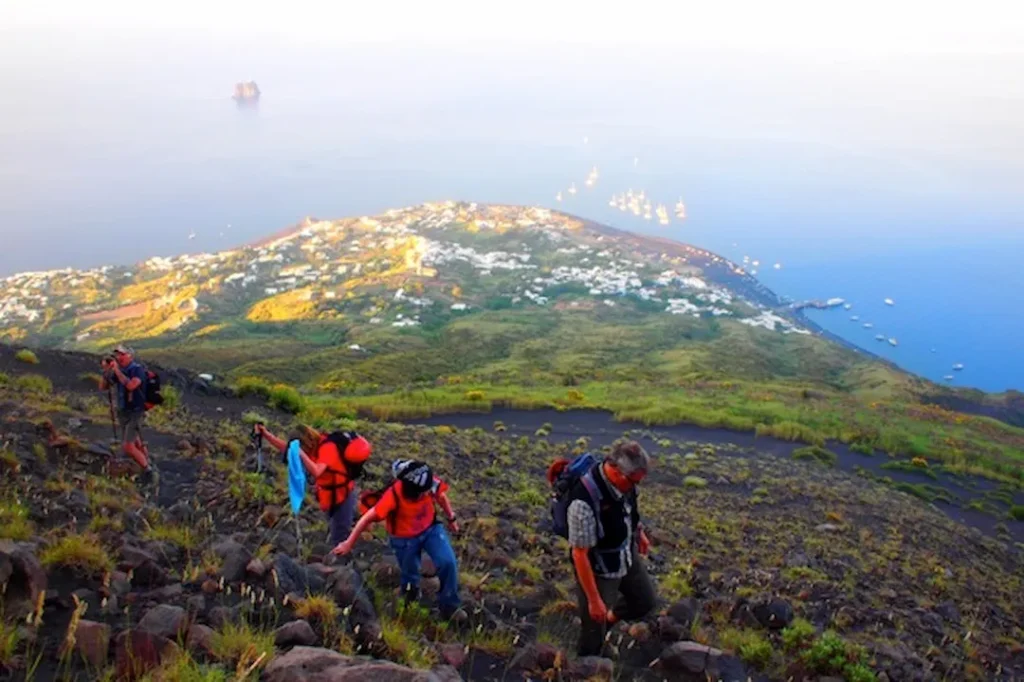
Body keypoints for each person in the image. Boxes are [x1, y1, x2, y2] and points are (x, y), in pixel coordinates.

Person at [332, 459, 463, 619]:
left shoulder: (427, 480)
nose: (426, 493)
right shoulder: (393, 495)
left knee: (448, 562)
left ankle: (450, 606)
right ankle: (409, 604)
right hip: (404, 539)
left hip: (430, 529)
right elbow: (367, 518)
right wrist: (348, 544)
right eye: (422, 492)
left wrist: (452, 519)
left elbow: (441, 497)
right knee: (410, 575)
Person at [568, 441, 657, 657]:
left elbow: (628, 511)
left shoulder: (626, 484)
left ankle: (609, 619)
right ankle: (586, 667)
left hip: (625, 554)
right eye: (632, 481)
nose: (634, 486)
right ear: (614, 469)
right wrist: (594, 600)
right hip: (600, 569)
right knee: (592, 632)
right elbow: (579, 554)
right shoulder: (583, 501)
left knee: (644, 601)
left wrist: (639, 532)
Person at [255, 424, 371, 546]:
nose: (303, 450)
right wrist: (267, 435)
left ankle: (344, 559)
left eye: (302, 447)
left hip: (343, 494)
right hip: (328, 494)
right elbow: (286, 448)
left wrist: (300, 453)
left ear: (307, 442)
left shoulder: (328, 448)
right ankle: (353, 542)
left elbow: (317, 471)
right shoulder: (313, 447)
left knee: (340, 534)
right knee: (335, 528)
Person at [100, 345, 157, 484]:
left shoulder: (137, 369)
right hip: (123, 410)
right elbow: (103, 387)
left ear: (129, 356)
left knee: (127, 445)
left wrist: (117, 371)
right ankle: (144, 458)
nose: (119, 357)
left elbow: (131, 385)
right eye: (117, 355)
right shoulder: (119, 370)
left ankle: (147, 469)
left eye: (121, 354)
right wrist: (106, 372)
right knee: (134, 438)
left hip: (136, 411)